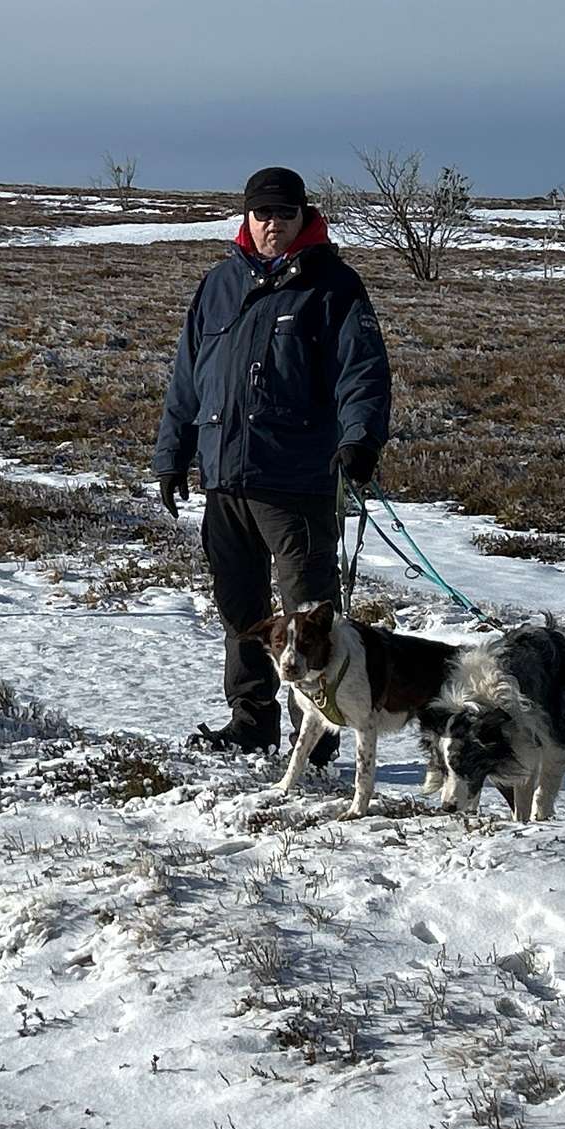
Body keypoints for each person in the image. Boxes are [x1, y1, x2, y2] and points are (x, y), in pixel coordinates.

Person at [152, 165, 392, 754]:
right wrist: (172, 454)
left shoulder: (334, 286)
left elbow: (363, 372)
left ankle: (320, 735)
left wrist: (360, 440)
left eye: (286, 213)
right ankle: (250, 722)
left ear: (303, 216)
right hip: (225, 480)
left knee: (309, 617)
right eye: (263, 213)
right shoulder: (218, 285)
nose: (273, 224)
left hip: (296, 481)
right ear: (247, 216)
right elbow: (188, 378)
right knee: (242, 611)